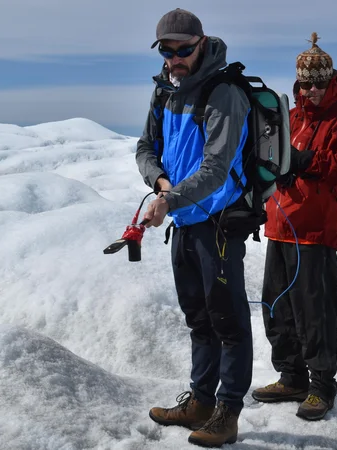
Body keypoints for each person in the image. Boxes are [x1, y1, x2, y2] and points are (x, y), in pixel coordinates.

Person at [135, 8, 252, 448]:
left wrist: (168, 199)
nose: (176, 58)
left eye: (184, 49)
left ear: (201, 43)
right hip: (182, 220)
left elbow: (217, 169)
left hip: (217, 224)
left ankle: (228, 412)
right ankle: (202, 401)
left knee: (229, 321)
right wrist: (160, 182)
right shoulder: (166, 91)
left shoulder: (224, 93)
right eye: (168, 50)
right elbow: (146, 147)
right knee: (198, 319)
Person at [251, 32, 337, 421]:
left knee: (314, 312)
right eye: (307, 83)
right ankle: (291, 377)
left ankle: (321, 386)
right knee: (277, 307)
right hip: (280, 224)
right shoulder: (288, 116)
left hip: (315, 233)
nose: (314, 90)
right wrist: (277, 172)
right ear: (299, 82)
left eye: (320, 82)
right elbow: (272, 154)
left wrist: (306, 163)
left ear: (331, 78)